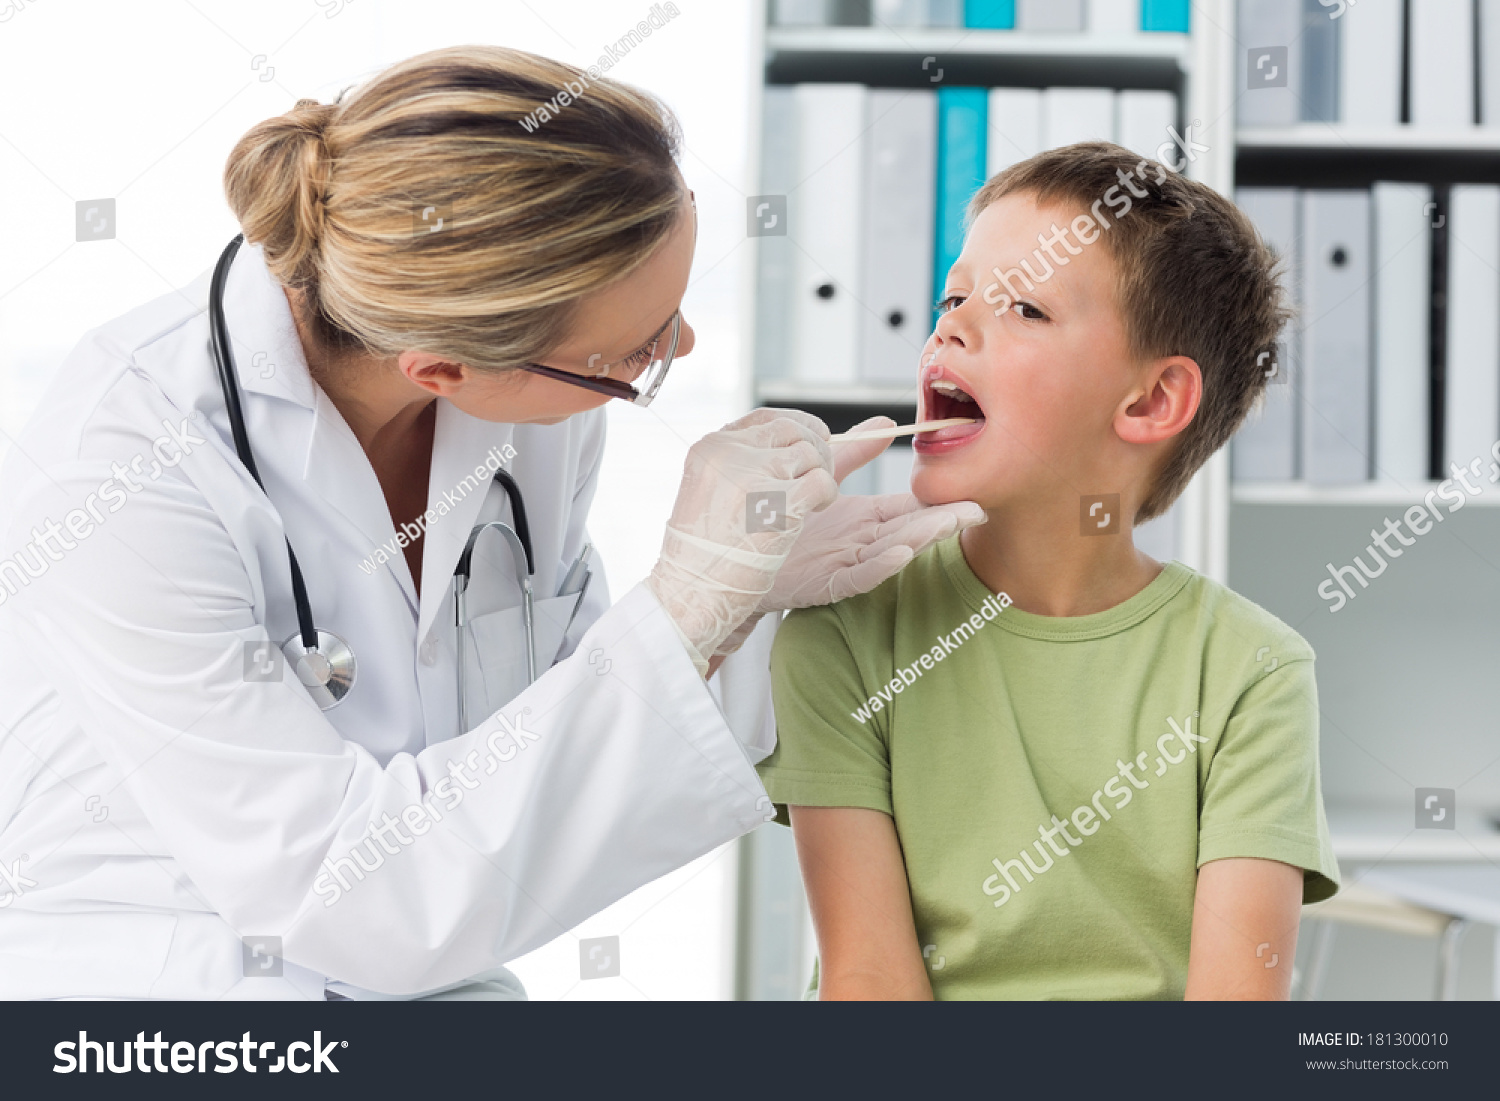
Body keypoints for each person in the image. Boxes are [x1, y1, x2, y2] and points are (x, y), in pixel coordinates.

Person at [0, 45, 982, 1000]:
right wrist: (686, 605)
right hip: (161, 997)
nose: (678, 344)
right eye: (639, 350)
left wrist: (743, 611)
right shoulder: (125, 466)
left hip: (431, 986)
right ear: (440, 368)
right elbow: (347, 895)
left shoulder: (536, 412)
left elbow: (552, 738)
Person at [756, 143, 1340, 1000]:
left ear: (1149, 402)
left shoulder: (1253, 671)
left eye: (1025, 308)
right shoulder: (840, 628)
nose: (950, 326)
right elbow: (870, 978)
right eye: (953, 297)